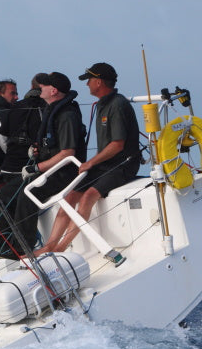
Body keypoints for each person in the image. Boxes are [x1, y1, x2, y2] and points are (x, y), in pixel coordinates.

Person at [35, 63, 140, 255]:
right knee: (69, 198)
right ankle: (49, 246)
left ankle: (60, 248)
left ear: (98, 82)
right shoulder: (103, 104)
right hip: (105, 164)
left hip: (123, 164)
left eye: (90, 81)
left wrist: (91, 162)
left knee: (88, 197)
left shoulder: (117, 104)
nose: (87, 85)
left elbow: (118, 144)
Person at [10, 71, 86, 256]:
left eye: (43, 86)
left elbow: (68, 152)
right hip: (50, 170)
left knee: (27, 195)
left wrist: (37, 168)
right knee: (3, 194)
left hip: (64, 173)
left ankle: (21, 251)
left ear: (53, 91)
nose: (39, 88)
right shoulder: (51, 109)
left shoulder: (67, 115)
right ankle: (1, 248)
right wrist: (37, 151)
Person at [0, 75, 47, 258]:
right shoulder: (48, 109)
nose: (16, 96)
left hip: (8, 168)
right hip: (30, 169)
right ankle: (18, 248)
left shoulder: (14, 109)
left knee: (3, 198)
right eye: (13, 93)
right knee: (21, 197)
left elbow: (2, 139)